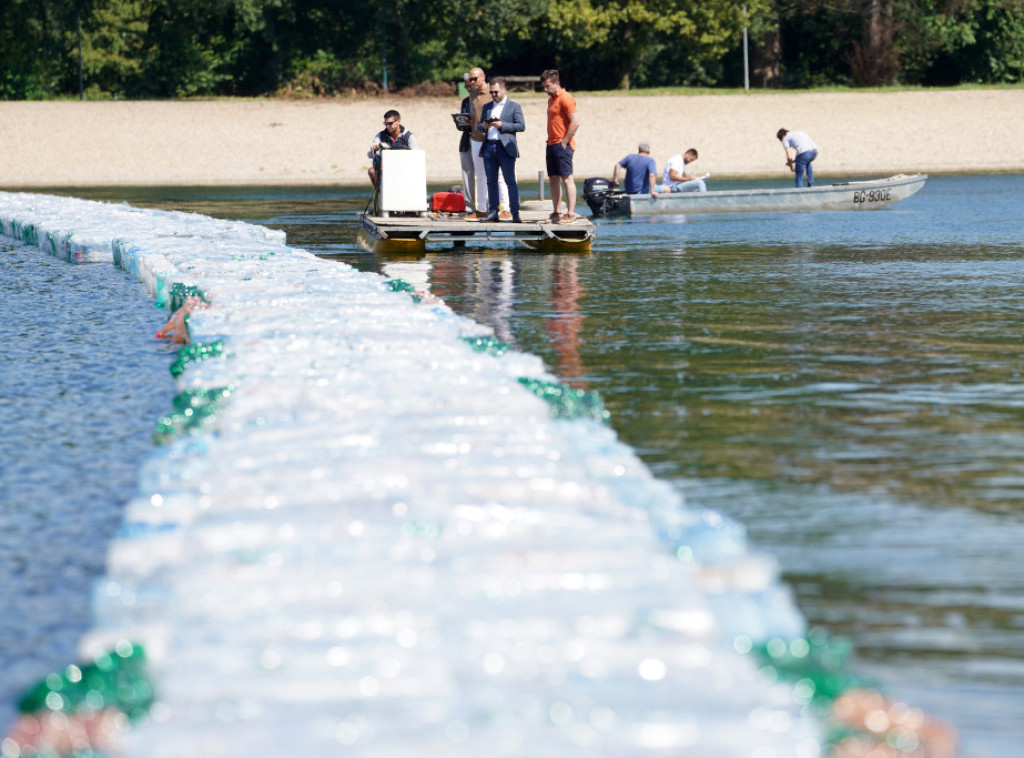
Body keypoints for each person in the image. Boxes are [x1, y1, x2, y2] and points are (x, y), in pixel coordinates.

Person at [458, 67, 509, 219]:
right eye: (471, 79)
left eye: (475, 79)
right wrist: (470, 120)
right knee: (480, 175)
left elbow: (504, 110)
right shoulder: (472, 94)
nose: (472, 82)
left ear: (483, 77)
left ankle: (506, 208)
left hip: (493, 139)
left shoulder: (492, 92)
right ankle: (481, 209)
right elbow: (476, 114)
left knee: (498, 174)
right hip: (475, 139)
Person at [477, 77, 524, 223]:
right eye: (491, 92)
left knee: (510, 181)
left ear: (504, 89)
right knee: (490, 181)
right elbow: (479, 126)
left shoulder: (514, 106)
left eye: (496, 92)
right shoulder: (487, 106)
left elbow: (521, 126)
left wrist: (502, 125)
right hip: (489, 146)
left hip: (505, 147)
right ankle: (493, 212)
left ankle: (515, 212)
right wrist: (483, 126)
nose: (494, 95)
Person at [541, 69, 580, 223]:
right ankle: (556, 211)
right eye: (544, 86)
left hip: (562, 144)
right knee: (553, 179)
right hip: (550, 144)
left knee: (567, 178)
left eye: (547, 86)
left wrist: (565, 141)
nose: (545, 89)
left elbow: (575, 122)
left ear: (556, 84)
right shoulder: (551, 99)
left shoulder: (566, 98)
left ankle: (570, 213)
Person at [367, 110, 418, 187]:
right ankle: (381, 193)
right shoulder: (380, 136)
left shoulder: (409, 137)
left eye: (390, 123)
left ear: (398, 121)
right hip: (386, 167)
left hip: (404, 167)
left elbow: (416, 156)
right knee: (372, 171)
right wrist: (374, 150)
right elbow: (369, 155)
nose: (387, 126)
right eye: (385, 124)